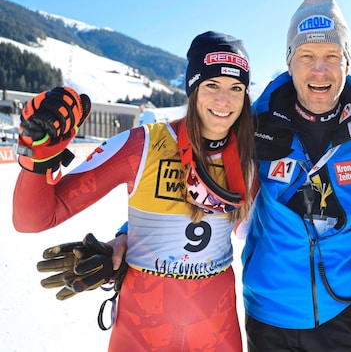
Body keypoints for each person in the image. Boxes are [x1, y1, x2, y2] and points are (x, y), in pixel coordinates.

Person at [13, 30, 256, 352]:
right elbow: (33, 219)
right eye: (212, 85)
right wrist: (38, 153)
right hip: (143, 323)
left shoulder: (250, 159)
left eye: (236, 88)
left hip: (216, 323)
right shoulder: (140, 145)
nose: (224, 100)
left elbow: (249, 231)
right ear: (192, 89)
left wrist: (127, 237)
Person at [237, 0, 351, 350]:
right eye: (306, 57)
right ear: (289, 62)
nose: (320, 70)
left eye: (332, 56)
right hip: (270, 315)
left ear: (348, 61)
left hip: (346, 311)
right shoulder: (253, 126)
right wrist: (127, 235)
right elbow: (192, 179)